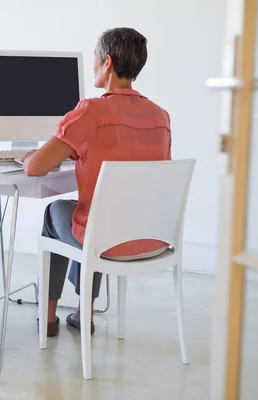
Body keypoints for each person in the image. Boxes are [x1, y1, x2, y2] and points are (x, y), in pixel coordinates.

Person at [22, 27, 172, 337]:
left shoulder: (91, 111)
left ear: (107, 62)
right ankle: (83, 313)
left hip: (107, 241)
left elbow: (35, 168)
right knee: (104, 211)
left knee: (57, 214)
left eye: (94, 58)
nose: (92, 65)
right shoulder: (161, 116)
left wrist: (27, 157)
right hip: (152, 238)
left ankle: (48, 320)